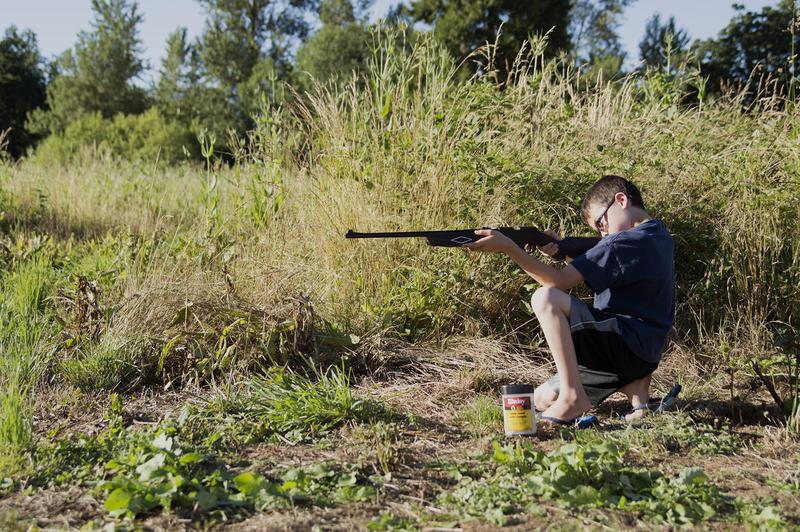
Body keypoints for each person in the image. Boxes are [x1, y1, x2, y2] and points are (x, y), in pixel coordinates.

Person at [464, 175, 675, 425]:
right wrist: (562, 253)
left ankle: (573, 397)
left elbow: (559, 282)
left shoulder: (621, 243)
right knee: (541, 398)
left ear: (621, 200)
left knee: (546, 298)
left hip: (622, 345)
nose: (602, 232)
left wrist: (510, 248)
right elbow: (599, 270)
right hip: (643, 354)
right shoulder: (657, 234)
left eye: (601, 224)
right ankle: (634, 387)